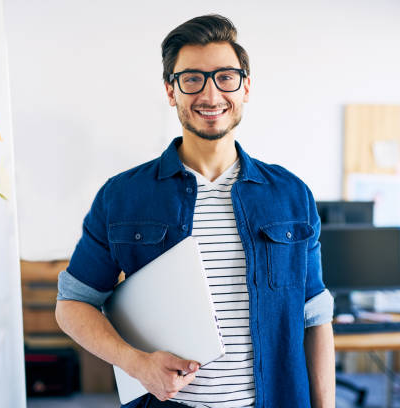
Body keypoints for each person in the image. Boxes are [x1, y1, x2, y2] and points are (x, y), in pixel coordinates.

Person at [56, 14, 336, 408]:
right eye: (192, 79)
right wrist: (136, 364)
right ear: (171, 91)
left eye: (225, 77)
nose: (210, 94)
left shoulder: (291, 195)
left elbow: (315, 317)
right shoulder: (122, 196)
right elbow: (72, 305)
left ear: (246, 87)